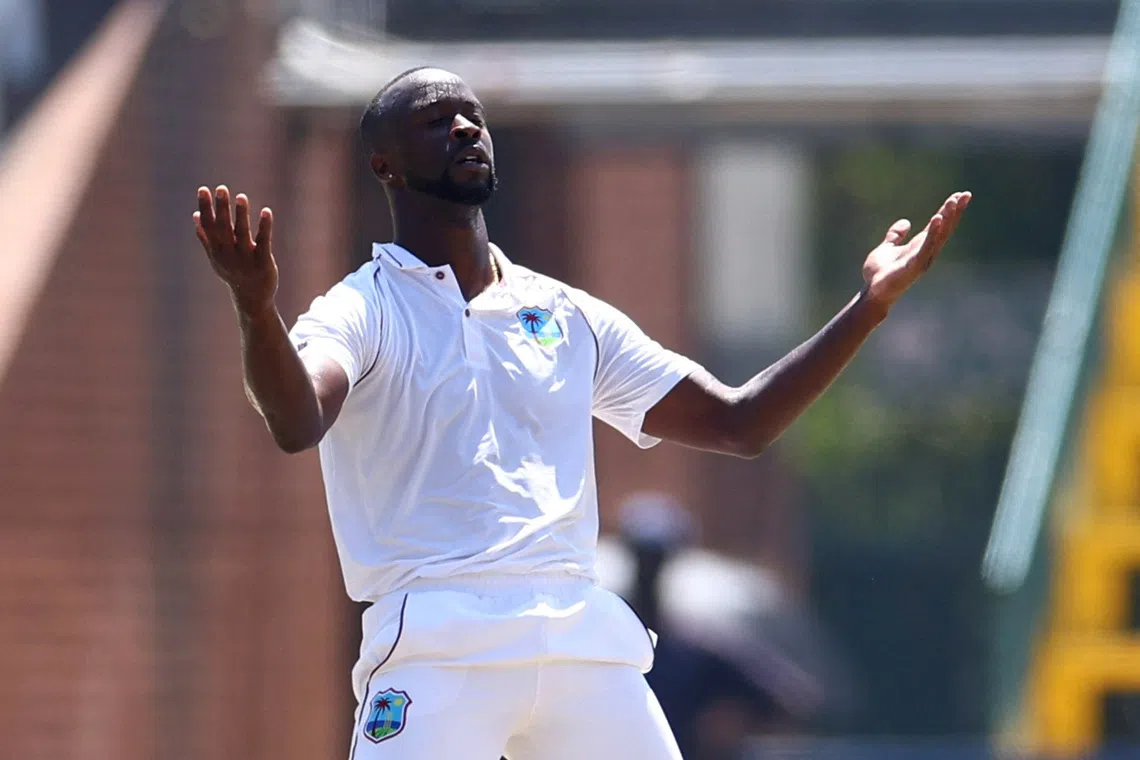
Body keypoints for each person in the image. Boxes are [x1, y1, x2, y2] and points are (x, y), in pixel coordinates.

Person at [191, 66, 970, 760]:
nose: (464, 126)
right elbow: (295, 421)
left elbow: (742, 422)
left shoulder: (564, 313)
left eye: (472, 115)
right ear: (383, 165)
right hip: (437, 647)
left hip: (580, 642)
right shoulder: (361, 309)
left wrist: (868, 308)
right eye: (434, 118)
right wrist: (256, 309)